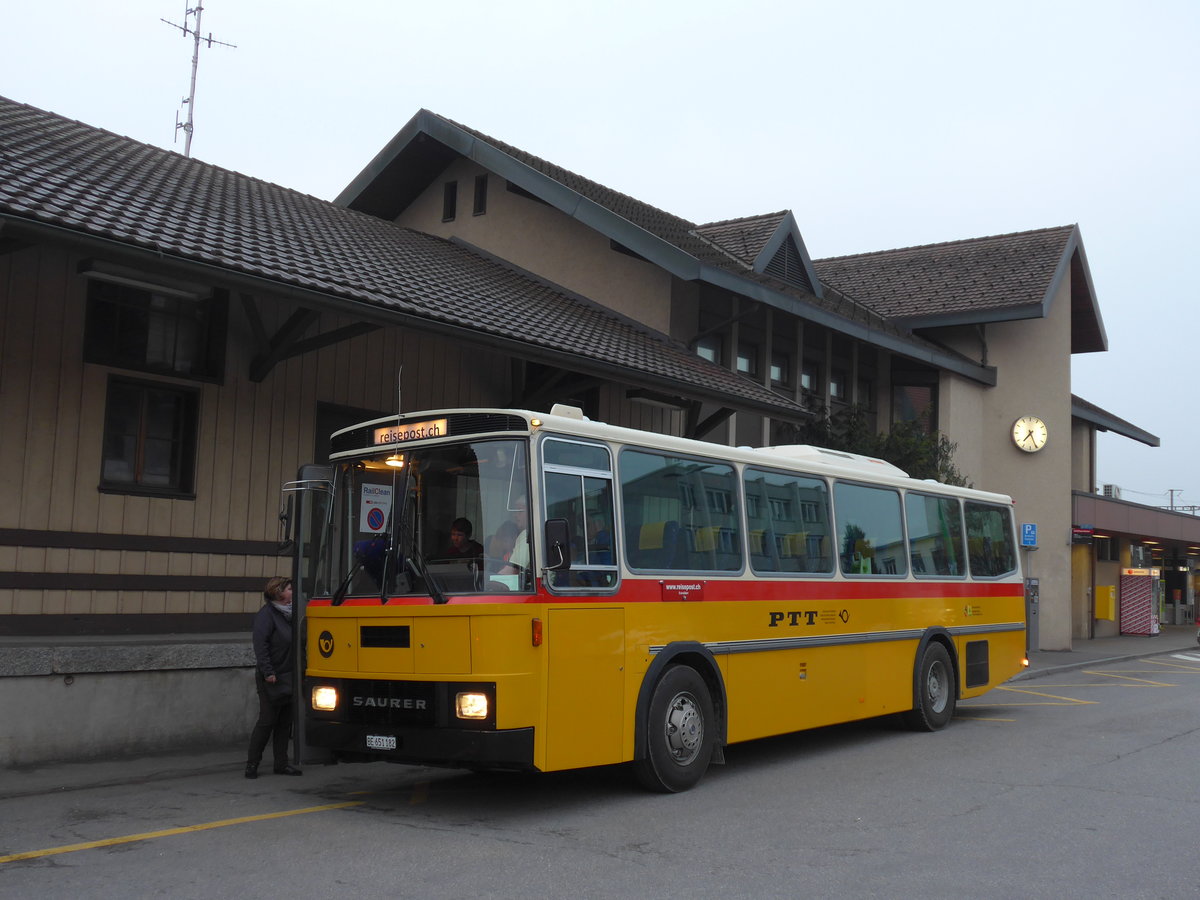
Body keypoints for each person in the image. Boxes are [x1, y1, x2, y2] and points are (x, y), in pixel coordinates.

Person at [245, 576, 302, 778]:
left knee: (285, 722)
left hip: (290, 675)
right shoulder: (267, 615)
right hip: (272, 677)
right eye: (289, 589)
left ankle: (281, 764)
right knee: (267, 720)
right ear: (279, 593)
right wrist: (268, 672)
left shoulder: (292, 614)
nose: (293, 592)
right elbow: (260, 645)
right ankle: (252, 764)